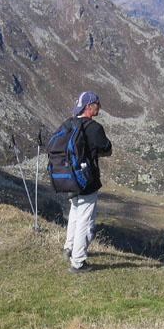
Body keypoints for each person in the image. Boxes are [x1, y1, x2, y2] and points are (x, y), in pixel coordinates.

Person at [63, 91, 112, 273]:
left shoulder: (68, 124)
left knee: (75, 213)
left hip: (69, 178)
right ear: (89, 106)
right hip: (87, 180)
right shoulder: (94, 128)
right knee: (85, 220)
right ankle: (78, 262)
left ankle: (69, 248)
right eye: (97, 103)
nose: (99, 107)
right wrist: (93, 154)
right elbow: (107, 149)